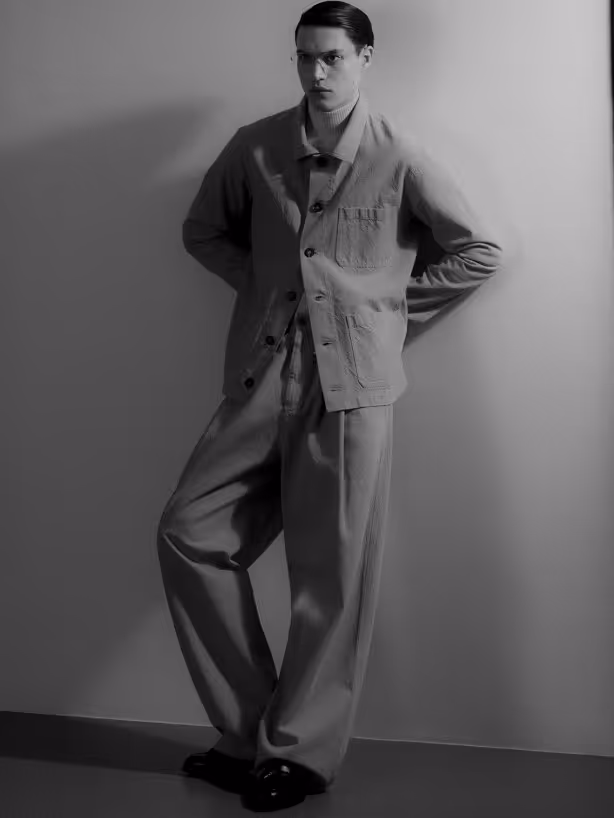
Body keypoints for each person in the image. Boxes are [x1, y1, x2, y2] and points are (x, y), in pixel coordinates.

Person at [157, 1, 504, 811]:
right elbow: (203, 231)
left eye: (332, 57)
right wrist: (265, 293)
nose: (316, 72)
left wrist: (380, 316)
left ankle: (300, 756)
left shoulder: (399, 154)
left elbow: (478, 252)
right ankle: (251, 733)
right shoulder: (254, 146)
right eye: (304, 57)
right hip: (260, 378)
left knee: (330, 576)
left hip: (349, 390)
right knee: (187, 533)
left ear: (365, 58)